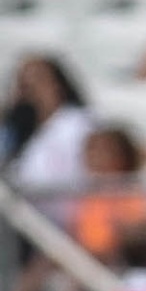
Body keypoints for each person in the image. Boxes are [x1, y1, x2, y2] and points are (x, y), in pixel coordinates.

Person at [3, 55, 93, 191]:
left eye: (38, 80)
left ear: (58, 85)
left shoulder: (79, 123)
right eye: (23, 84)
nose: (31, 90)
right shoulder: (21, 131)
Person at [71, 127, 146, 263]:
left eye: (103, 151)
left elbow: (135, 242)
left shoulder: (133, 195)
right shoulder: (86, 197)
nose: (95, 157)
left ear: (123, 156)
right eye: (91, 150)